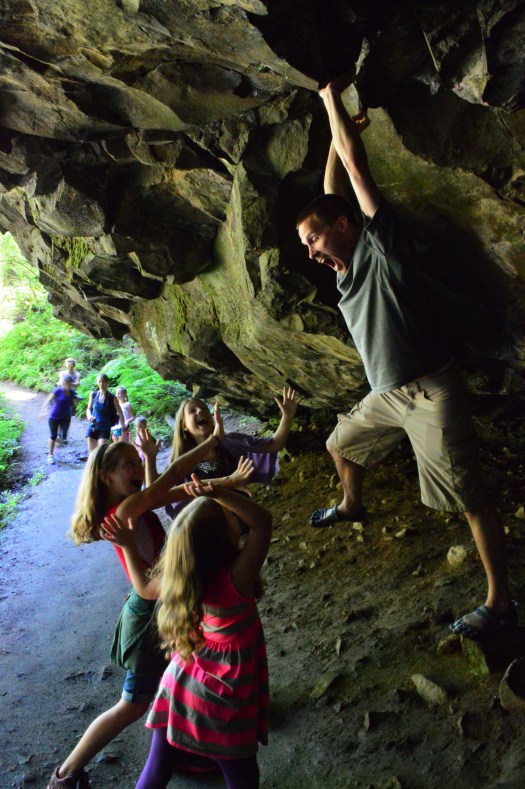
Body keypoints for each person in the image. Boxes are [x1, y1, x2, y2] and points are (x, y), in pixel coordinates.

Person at [295, 75, 514, 641]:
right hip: (386, 394)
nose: (311, 252)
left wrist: (331, 103)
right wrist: (330, 144)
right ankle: (351, 504)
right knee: (338, 443)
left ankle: (499, 602)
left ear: (345, 227)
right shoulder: (344, 270)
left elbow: (354, 171)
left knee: (469, 498)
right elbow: (331, 186)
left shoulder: (383, 248)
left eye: (314, 240)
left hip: (428, 391)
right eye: (305, 246)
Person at [46, 419, 253, 789]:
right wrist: (214, 448)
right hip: (148, 619)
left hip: (163, 609)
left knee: (182, 679)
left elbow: (175, 490)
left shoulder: (131, 506)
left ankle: (188, 749)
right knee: (133, 704)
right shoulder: (125, 511)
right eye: (130, 463)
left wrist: (224, 484)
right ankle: (65, 775)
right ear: (107, 476)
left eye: (137, 462)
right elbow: (174, 478)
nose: (139, 469)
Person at [101, 479, 272, 789]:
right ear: (225, 534)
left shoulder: (181, 578)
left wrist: (127, 544)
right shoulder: (237, 578)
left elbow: (142, 587)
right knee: (243, 779)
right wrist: (219, 491)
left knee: (156, 770)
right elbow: (262, 522)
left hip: (180, 685)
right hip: (223, 698)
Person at [154, 389, 298, 507]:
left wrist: (287, 416)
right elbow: (156, 495)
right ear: (184, 425)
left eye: (204, 408)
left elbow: (275, 445)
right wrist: (149, 459)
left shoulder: (231, 442)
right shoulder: (182, 462)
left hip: (243, 516)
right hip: (209, 527)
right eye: (192, 411)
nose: (200, 411)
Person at [40, 373, 76, 464]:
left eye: (70, 383)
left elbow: (73, 404)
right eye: (67, 383)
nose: (68, 385)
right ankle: (50, 455)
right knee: (53, 436)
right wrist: (43, 411)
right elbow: (48, 400)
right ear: (64, 383)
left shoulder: (72, 392)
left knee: (64, 437)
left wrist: (76, 402)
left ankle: (60, 437)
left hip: (66, 417)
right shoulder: (57, 390)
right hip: (54, 416)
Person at [85, 373, 124, 453]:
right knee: (91, 453)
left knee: (101, 453)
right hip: (92, 426)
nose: (101, 384)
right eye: (99, 382)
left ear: (107, 383)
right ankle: (92, 466)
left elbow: (120, 412)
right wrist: (89, 416)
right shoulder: (93, 394)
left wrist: (122, 427)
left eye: (103, 382)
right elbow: (88, 409)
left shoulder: (112, 398)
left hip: (105, 428)